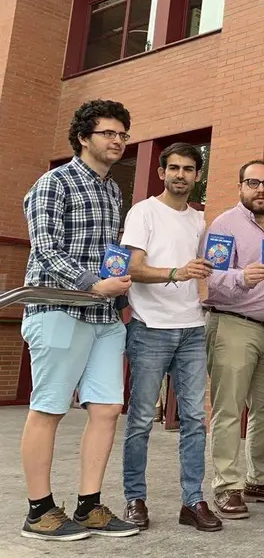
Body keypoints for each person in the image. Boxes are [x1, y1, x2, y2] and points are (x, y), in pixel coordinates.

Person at [19, 99, 140, 541]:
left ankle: (89, 506)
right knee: (48, 408)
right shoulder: (53, 184)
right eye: (109, 133)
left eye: (123, 134)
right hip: (58, 309)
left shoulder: (113, 191)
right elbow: (46, 251)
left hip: (104, 316)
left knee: (107, 408)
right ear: (83, 137)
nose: (118, 141)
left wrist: (113, 284)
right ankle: (39, 511)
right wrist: (93, 283)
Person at [120, 143, 221, 532]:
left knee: (196, 418)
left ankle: (192, 501)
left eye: (189, 169)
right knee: (142, 419)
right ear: (162, 172)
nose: (181, 175)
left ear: (198, 176)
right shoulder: (143, 211)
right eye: (174, 168)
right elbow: (134, 268)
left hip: (192, 328)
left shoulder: (199, 221)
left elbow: (211, 267)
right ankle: (135, 498)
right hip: (149, 328)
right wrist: (177, 273)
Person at [203, 160, 264, 520]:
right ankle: (227, 486)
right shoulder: (225, 224)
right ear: (240, 186)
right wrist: (241, 277)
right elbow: (210, 276)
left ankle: (259, 479)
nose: (260, 190)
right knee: (229, 409)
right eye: (253, 183)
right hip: (234, 325)